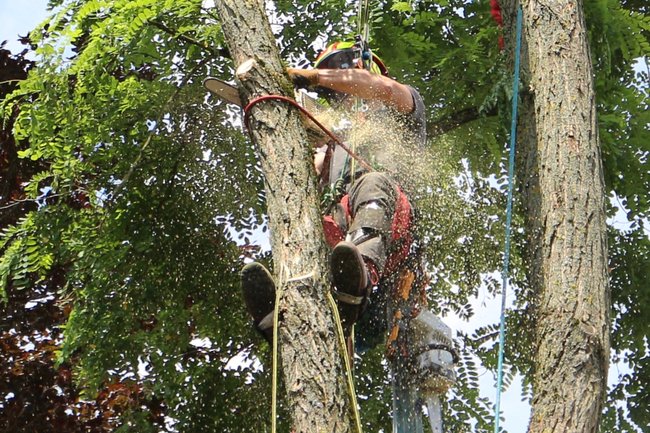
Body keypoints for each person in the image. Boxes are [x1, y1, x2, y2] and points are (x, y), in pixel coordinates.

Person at [241, 40, 427, 344]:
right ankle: (287, 312)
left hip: (391, 226)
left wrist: (310, 77)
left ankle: (359, 278)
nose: (338, 95)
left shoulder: (402, 106)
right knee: (311, 221)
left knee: (373, 183)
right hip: (340, 231)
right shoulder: (334, 143)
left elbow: (379, 87)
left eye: (336, 76)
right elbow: (304, 173)